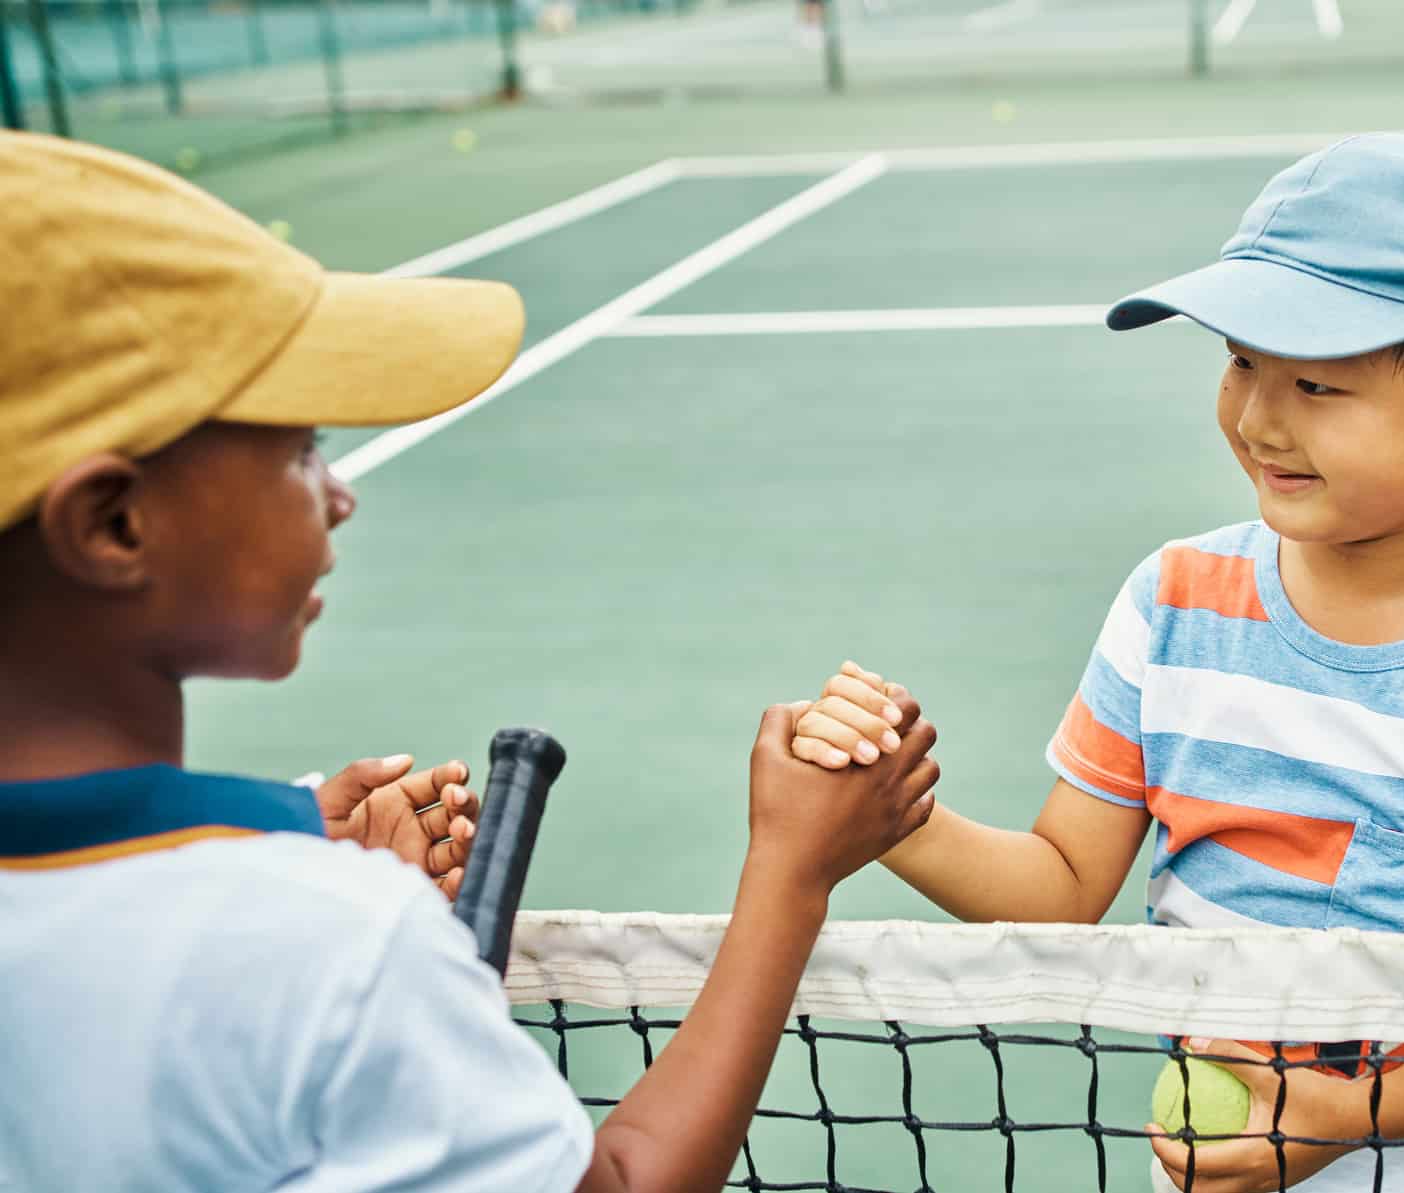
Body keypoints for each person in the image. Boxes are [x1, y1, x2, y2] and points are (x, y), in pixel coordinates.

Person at [0, 131, 939, 1193]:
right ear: (114, 522)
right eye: (301, 445)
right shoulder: (333, 947)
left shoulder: (314, 913)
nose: (339, 490)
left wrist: (294, 832)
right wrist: (792, 873)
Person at [786, 133, 1404, 1193]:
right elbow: (1062, 886)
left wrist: (1353, 1113)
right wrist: (896, 816)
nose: (1256, 417)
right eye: (1239, 361)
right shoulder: (1171, 606)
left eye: (1313, 383)